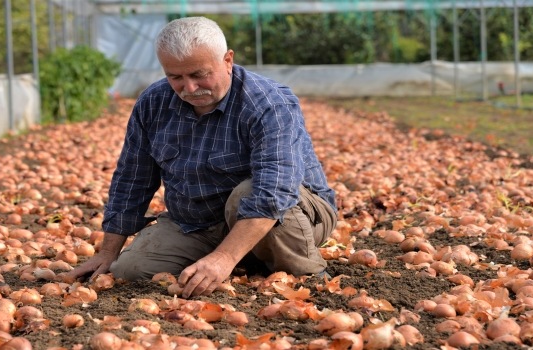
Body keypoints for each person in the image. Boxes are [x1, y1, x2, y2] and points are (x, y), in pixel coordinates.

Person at [67, 16, 337, 299]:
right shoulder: (152, 103)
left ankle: (305, 274)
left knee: (246, 193)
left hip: (294, 213)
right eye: (176, 77)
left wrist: (223, 259)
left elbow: (274, 193)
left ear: (228, 60)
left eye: (199, 74)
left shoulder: (267, 104)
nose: (189, 88)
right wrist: (108, 252)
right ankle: (247, 256)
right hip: (200, 221)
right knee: (131, 271)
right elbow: (132, 179)